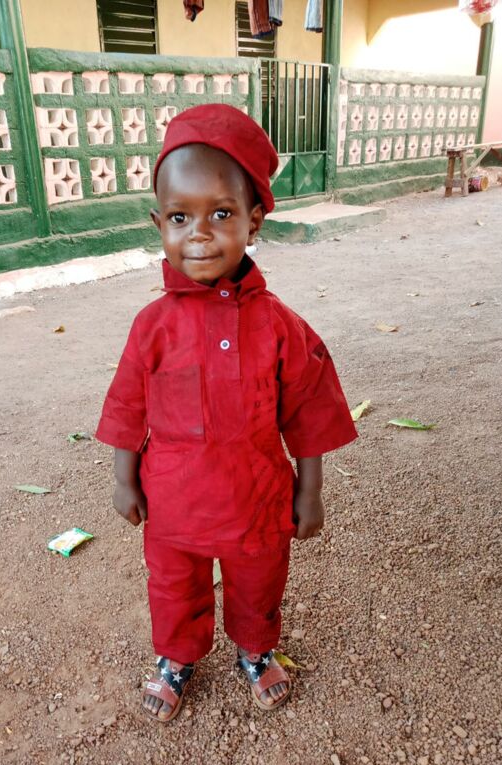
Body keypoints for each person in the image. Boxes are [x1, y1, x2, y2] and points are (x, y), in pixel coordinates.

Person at [96, 104, 357, 723]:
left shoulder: (280, 326)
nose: (200, 234)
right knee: (172, 584)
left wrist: (310, 493)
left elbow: (309, 412)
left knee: (259, 582)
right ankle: (177, 658)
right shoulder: (152, 326)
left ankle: (255, 649)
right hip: (173, 504)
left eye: (220, 214)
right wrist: (123, 479)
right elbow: (129, 404)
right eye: (180, 217)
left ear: (254, 220)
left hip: (257, 500)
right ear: (158, 223)